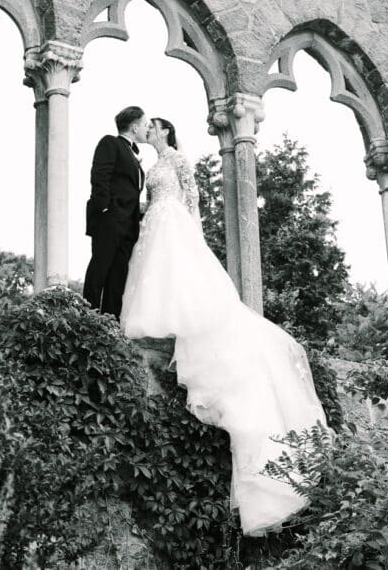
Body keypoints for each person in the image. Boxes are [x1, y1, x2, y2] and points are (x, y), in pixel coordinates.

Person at [121, 117, 329, 537]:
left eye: (152, 127)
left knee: (181, 281)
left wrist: (191, 232)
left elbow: (193, 195)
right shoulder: (150, 162)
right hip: (155, 226)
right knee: (154, 279)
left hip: (175, 225)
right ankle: (157, 323)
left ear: (163, 131)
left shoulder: (177, 158)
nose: (147, 131)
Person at [82, 106, 150, 318]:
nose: (147, 129)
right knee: (99, 271)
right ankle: (86, 320)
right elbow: (99, 176)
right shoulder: (110, 142)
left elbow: (129, 190)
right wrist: (104, 210)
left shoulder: (132, 153)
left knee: (117, 278)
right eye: (146, 125)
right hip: (109, 220)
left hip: (128, 226)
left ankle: (109, 326)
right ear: (135, 126)